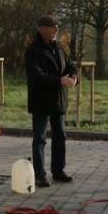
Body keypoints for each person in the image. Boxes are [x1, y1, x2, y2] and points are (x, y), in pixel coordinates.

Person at [24, 14, 78, 187]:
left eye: (57, 27)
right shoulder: (33, 51)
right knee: (40, 139)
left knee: (60, 137)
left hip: (59, 101)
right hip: (41, 101)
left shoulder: (59, 47)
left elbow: (71, 66)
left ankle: (58, 171)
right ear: (42, 30)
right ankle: (40, 175)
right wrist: (59, 80)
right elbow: (36, 75)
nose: (56, 30)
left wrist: (74, 77)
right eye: (52, 27)